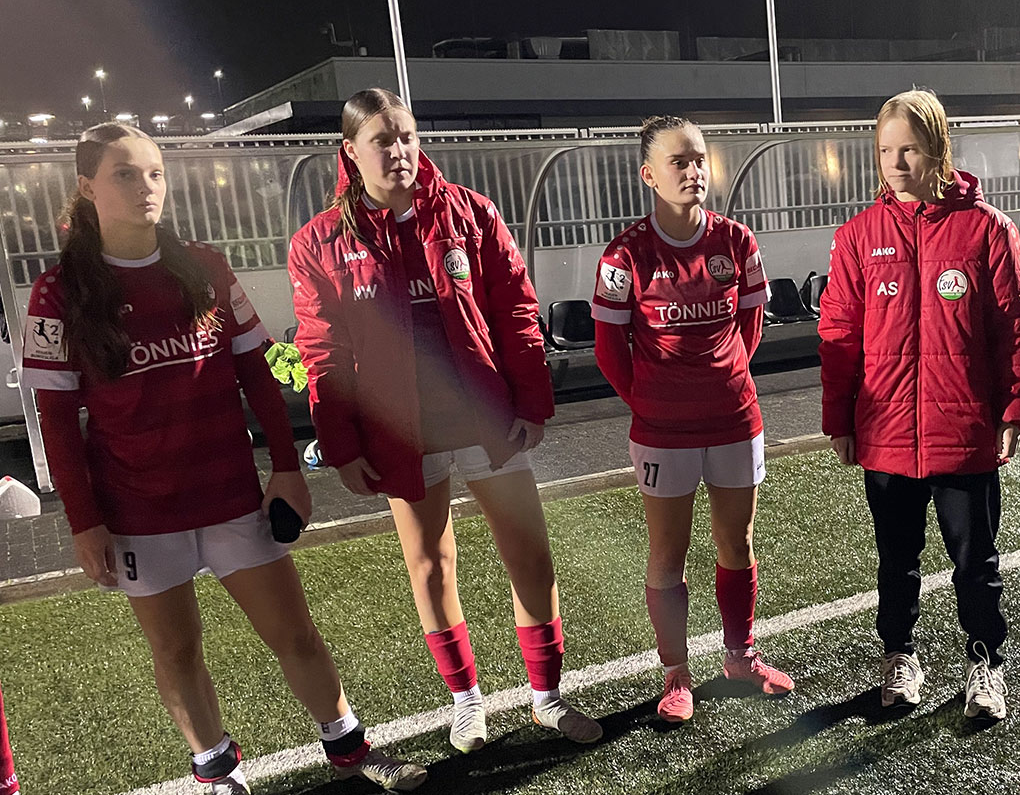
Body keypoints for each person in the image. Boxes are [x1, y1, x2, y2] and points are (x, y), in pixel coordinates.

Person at [26, 122, 426, 794]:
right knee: (177, 651)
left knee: (295, 633)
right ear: (88, 188)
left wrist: (287, 468)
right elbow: (58, 421)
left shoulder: (204, 265)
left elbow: (257, 371)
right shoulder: (58, 291)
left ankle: (351, 748)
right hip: (138, 511)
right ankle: (216, 771)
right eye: (126, 174)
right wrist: (84, 522)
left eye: (154, 172)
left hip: (233, 495)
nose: (147, 186)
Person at [288, 89, 601, 750]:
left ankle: (546, 697)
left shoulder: (470, 212)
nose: (399, 150)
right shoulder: (319, 243)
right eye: (383, 140)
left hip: (487, 422)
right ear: (350, 152)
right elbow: (324, 353)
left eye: (406, 136)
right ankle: (466, 702)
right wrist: (342, 445)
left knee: (531, 557)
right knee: (431, 565)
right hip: (403, 436)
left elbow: (516, 308)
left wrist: (533, 402)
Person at [817, 88, 1020, 720]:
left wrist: (1014, 408)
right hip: (886, 436)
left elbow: (1015, 326)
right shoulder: (859, 236)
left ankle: (985, 663)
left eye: (908, 148)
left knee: (975, 560)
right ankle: (899, 656)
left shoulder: (987, 229)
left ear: (937, 147)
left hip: (962, 429)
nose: (895, 162)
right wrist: (839, 419)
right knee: (897, 560)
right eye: (885, 150)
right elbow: (838, 334)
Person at [591, 115, 794, 723]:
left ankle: (739, 655)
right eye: (678, 162)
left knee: (736, 542)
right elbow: (609, 350)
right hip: (662, 431)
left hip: (735, 418)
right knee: (667, 554)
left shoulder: (737, 241)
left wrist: (722, 382)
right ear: (649, 175)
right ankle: (676, 673)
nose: (693, 170)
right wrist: (656, 400)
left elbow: (750, 330)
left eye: (699, 159)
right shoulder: (625, 252)